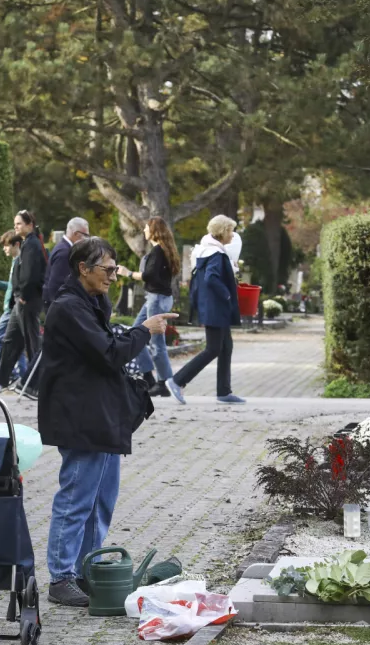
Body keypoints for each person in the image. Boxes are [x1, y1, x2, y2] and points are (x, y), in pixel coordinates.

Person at [37, 237, 177, 606]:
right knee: (75, 500)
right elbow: (109, 353)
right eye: (108, 269)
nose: (114, 276)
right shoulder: (68, 307)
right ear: (83, 269)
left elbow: (106, 349)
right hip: (81, 419)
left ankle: (85, 570)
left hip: (99, 418)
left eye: (116, 269)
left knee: (100, 501)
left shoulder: (90, 302)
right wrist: (145, 330)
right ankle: (61, 578)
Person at [167, 215, 244, 405]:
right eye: (231, 231)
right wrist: (226, 294)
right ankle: (177, 380)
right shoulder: (216, 255)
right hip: (216, 308)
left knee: (226, 347)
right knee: (213, 349)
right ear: (223, 232)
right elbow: (211, 278)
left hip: (212, 307)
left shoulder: (207, 251)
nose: (233, 235)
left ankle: (224, 392)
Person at [0, 210, 46, 394]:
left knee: (32, 343)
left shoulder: (32, 245)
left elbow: (31, 274)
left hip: (28, 301)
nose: (16, 226)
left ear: (29, 225)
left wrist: (24, 295)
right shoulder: (28, 244)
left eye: (19, 223)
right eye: (15, 223)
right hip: (21, 301)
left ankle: (35, 384)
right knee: (10, 341)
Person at [117, 218, 179, 397]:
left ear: (153, 231)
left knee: (156, 343)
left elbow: (149, 275)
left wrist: (127, 273)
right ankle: (149, 377)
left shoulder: (159, 251)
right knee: (135, 333)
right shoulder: (161, 250)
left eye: (146, 227)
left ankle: (165, 383)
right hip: (155, 298)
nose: (144, 230)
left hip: (157, 300)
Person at [0, 230, 28, 387]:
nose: (4, 249)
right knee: (18, 346)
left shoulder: (19, 262)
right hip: (14, 309)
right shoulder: (16, 261)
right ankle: (24, 380)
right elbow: (12, 286)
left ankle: (9, 374)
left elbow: (18, 287)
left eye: (6, 246)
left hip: (13, 310)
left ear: (16, 244)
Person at [43, 217, 90, 310]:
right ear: (76, 234)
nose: (87, 239)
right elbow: (56, 284)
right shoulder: (65, 252)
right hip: (58, 306)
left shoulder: (64, 248)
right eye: (86, 235)